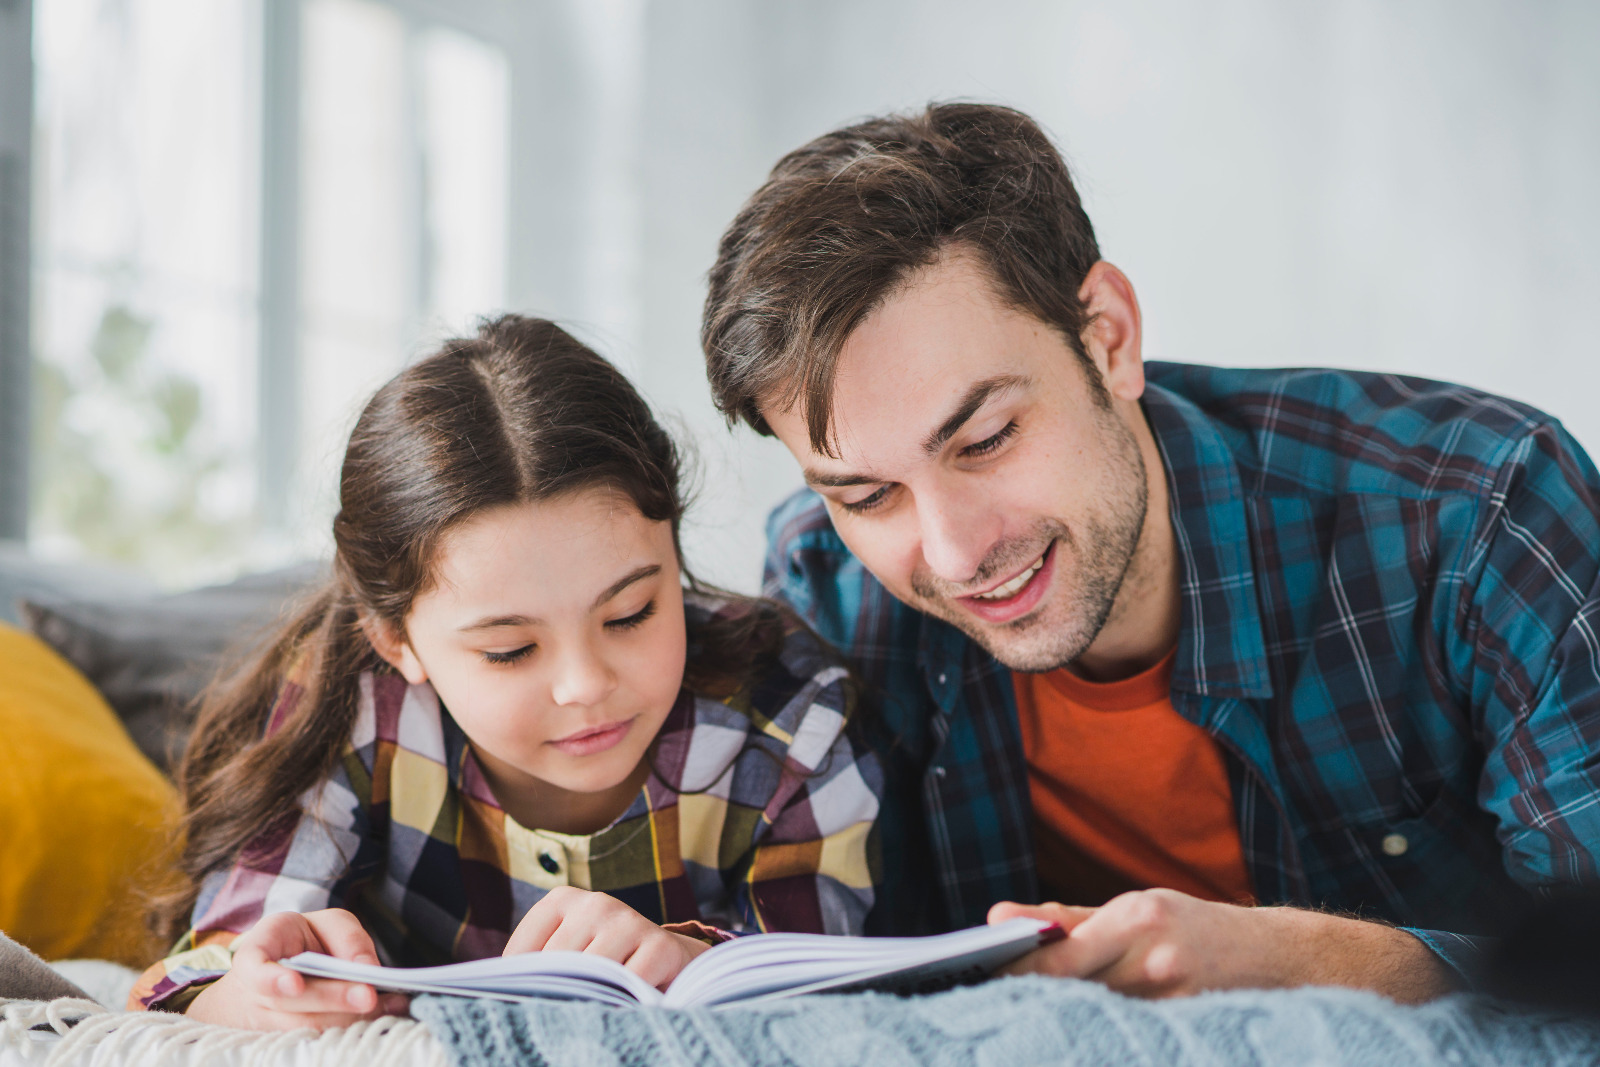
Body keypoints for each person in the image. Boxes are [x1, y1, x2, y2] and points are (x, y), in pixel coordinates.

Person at [701, 102, 1600, 1003]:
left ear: (1109, 338)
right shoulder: (828, 588)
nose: (955, 550)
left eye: (985, 439)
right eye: (867, 494)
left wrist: (1310, 968)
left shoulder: (1485, 512)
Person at [131, 316, 881, 1030]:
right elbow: (199, 974)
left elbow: (837, 981)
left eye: (631, 613)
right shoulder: (351, 699)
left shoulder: (793, 713)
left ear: (674, 552)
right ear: (396, 641)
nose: (585, 682)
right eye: (509, 650)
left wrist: (691, 960)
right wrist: (256, 992)